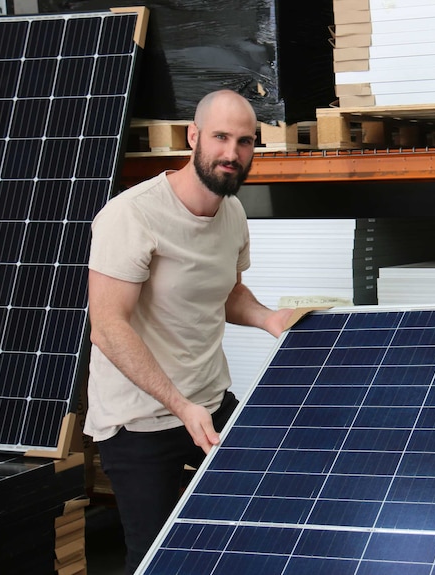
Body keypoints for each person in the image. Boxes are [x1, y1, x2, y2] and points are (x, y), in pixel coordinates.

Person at [85, 89, 294, 574]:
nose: (232, 153)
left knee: (260, 518)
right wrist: (180, 405)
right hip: (140, 421)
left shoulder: (233, 212)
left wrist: (268, 318)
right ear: (193, 137)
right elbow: (108, 328)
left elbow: (226, 292)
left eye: (245, 142)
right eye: (221, 137)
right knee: (159, 559)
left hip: (209, 400)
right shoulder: (131, 216)